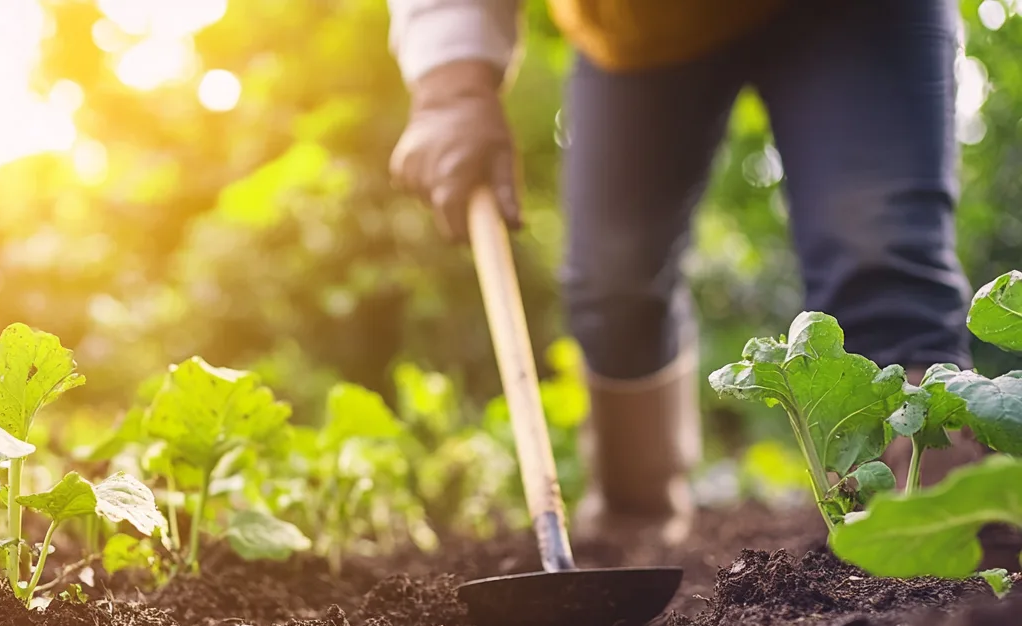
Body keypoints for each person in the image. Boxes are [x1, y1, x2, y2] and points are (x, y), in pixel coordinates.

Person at [386, 0, 982, 546]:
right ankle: (633, 522)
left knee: (877, 246)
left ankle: (937, 514)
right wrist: (452, 88)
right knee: (613, 283)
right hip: (642, 24)